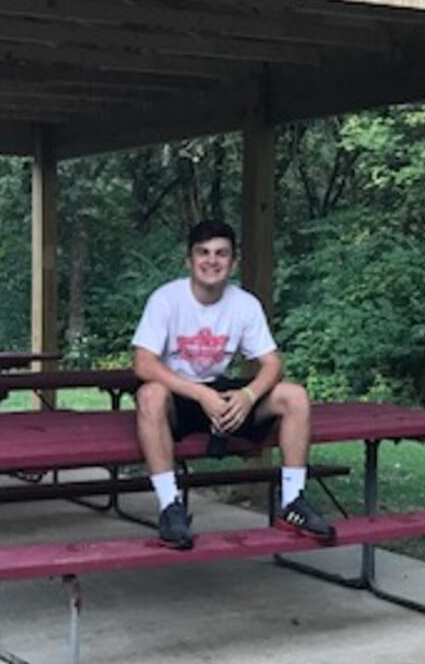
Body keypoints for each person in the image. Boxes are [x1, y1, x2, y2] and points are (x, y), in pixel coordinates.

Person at [132, 218, 336, 549]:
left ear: (233, 262)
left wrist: (248, 394)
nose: (212, 260)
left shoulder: (244, 304)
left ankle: (292, 501)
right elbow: (143, 363)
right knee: (150, 394)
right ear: (189, 261)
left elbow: (272, 363)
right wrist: (200, 394)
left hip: (227, 396)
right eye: (203, 252)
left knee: (294, 396)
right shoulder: (166, 299)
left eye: (221, 253)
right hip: (181, 397)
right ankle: (171, 508)